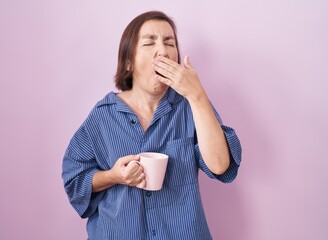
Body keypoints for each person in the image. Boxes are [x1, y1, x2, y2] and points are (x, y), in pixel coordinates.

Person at [62, 10, 242, 240]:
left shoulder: (191, 105)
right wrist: (114, 176)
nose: (163, 50)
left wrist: (197, 95)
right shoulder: (102, 116)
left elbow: (219, 165)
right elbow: (75, 180)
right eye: (150, 42)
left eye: (170, 42)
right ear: (129, 63)